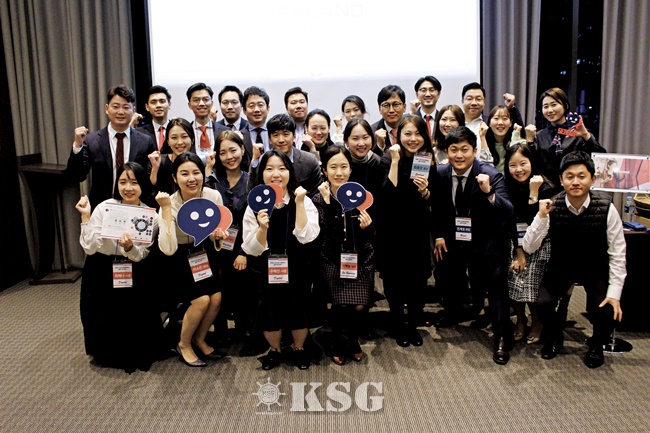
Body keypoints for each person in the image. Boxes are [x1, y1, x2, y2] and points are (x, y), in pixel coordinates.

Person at [524, 151, 626, 369]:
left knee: (605, 308)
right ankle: (555, 336)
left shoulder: (607, 207)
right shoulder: (552, 205)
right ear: (561, 180)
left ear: (593, 179)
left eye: (582, 176)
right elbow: (529, 246)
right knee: (542, 303)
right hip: (562, 266)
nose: (575, 182)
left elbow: (618, 253)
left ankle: (597, 344)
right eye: (569, 177)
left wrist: (615, 293)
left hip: (595, 267)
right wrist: (541, 217)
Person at [433, 126, 515, 365]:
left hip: (487, 239)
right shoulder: (440, 172)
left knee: (496, 286)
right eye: (453, 150)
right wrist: (439, 235)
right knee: (447, 274)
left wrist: (489, 193)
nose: (459, 155)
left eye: (464, 150)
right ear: (446, 151)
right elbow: (438, 207)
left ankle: (502, 336)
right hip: (454, 237)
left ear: (475, 151)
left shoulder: (490, 174)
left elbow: (509, 211)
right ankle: (454, 312)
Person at [75, 162, 164, 372]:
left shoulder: (150, 215)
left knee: (132, 314)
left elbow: (142, 254)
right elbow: (90, 248)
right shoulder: (104, 207)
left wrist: (130, 248)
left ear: (143, 185)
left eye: (134, 182)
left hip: (134, 269)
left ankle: (134, 353)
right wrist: (85, 216)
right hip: (102, 267)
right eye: (123, 182)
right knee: (102, 312)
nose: (128, 188)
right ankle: (106, 353)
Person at [242, 150, 320, 370]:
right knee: (269, 310)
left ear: (290, 172)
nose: (276, 174)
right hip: (265, 267)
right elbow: (252, 248)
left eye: (282, 168)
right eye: (269, 169)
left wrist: (300, 204)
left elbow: (306, 236)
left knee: (298, 307)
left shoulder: (301, 199)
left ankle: (299, 348)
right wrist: (262, 228)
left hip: (297, 264)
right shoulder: (254, 204)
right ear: (262, 174)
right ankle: (274, 350)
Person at [155, 152, 226, 367]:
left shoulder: (213, 196)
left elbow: (216, 232)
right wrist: (166, 210)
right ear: (175, 178)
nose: (192, 178)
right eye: (184, 174)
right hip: (177, 258)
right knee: (201, 300)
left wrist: (217, 236)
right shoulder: (169, 202)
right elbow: (167, 248)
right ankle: (184, 344)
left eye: (196, 172)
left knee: (216, 297)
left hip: (203, 254)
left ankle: (199, 339)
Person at [378, 115, 437, 347]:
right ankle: (397, 324)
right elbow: (386, 193)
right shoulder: (387, 159)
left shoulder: (427, 159)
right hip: (392, 231)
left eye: (418, 134)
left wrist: (425, 192)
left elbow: (434, 200)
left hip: (417, 231)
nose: (413, 139)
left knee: (417, 282)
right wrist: (394, 161)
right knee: (394, 282)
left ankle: (412, 325)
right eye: (407, 134)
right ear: (398, 135)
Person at [313, 146, 374, 365]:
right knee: (341, 305)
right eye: (333, 167)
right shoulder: (319, 199)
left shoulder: (361, 195)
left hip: (361, 258)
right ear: (324, 170)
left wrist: (368, 227)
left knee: (359, 307)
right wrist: (329, 205)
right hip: (332, 258)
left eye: (344, 167)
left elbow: (373, 234)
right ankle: (340, 341)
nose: (339, 172)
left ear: (350, 169)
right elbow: (326, 235)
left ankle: (351, 339)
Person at [66, 85, 157, 209]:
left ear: (133, 110)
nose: (121, 112)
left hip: (136, 208)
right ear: (107, 108)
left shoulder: (145, 141)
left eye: (126, 107)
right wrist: (78, 145)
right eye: (116, 106)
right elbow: (77, 176)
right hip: (102, 208)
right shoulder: (92, 140)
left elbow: (149, 180)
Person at [205, 131, 255, 345]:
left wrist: (244, 251)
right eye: (223, 152)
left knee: (243, 289)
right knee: (218, 288)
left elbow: (255, 220)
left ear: (242, 150)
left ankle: (244, 330)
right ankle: (221, 332)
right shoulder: (212, 181)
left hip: (243, 245)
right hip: (216, 245)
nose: (229, 157)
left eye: (233, 150)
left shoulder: (252, 180)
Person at [503, 140, 555, 345]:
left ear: (532, 163)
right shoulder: (507, 187)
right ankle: (520, 320)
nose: (518, 169)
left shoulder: (547, 188)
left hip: (540, 242)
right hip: (514, 241)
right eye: (513, 165)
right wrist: (518, 252)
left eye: (523, 163)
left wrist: (534, 193)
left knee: (530, 279)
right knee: (513, 276)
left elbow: (536, 223)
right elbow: (511, 222)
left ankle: (537, 321)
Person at [529, 87, 606, 182]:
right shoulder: (539, 136)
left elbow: (601, 159)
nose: (550, 110)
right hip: (546, 187)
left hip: (573, 185)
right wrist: (529, 141)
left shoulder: (578, 133)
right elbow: (531, 165)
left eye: (554, 105)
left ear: (565, 105)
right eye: (545, 106)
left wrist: (586, 135)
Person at [248, 114, 322, 196]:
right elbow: (252, 191)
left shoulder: (309, 160)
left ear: (294, 136)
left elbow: (317, 193)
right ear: (270, 139)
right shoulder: (263, 160)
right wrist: (255, 161)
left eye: (285, 134)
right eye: (276, 135)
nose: (281, 140)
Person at [148, 118, 215, 196]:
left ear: (192, 139)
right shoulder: (159, 161)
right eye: (174, 138)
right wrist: (155, 169)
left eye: (184, 136)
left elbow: (207, 192)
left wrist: (209, 168)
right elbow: (151, 190)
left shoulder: (199, 162)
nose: (179, 142)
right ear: (168, 141)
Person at [186, 82, 228, 161]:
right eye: (196, 100)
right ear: (189, 105)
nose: (201, 104)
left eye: (206, 99)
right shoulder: (185, 132)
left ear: (211, 103)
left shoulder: (225, 131)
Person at [217, 85, 253, 170]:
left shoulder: (250, 128)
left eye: (234, 102)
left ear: (241, 105)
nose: (230, 107)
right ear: (220, 105)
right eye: (225, 102)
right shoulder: (215, 129)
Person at [477, 105, 517, 172]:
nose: (500, 123)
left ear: (510, 123)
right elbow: (486, 169)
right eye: (496, 118)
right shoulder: (481, 144)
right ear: (489, 123)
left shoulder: (517, 142)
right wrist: (482, 137)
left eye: (504, 118)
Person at [133, 85, 172, 151]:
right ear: (147, 107)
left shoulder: (177, 130)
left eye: (162, 101)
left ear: (169, 104)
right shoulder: (139, 133)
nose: (158, 105)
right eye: (153, 102)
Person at [371, 85, 407, 155]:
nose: (391, 110)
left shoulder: (413, 127)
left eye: (395, 104)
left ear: (404, 107)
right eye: (386, 105)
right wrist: (379, 146)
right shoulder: (372, 132)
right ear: (379, 109)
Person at [243, 86, 271, 151]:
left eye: (260, 105)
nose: (256, 110)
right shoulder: (239, 136)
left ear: (268, 108)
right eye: (251, 106)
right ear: (244, 110)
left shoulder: (275, 133)